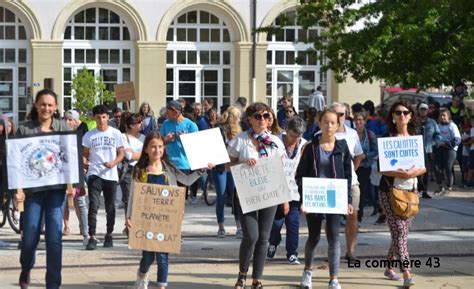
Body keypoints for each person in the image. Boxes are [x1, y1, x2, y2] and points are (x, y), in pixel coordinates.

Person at [126, 131, 208, 289]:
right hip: (146, 220)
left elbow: (186, 180)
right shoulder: (140, 170)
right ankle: (142, 274)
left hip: (165, 220)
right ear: (146, 149)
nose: (157, 150)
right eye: (153, 147)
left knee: (163, 256)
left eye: (160, 147)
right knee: (148, 257)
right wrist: (129, 216)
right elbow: (132, 195)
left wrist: (201, 170)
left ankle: (161, 286)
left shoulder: (169, 168)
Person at [16, 89, 71, 289]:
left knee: (54, 237)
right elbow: (16, 161)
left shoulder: (63, 127)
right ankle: (26, 266)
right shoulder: (24, 130)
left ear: (55, 107)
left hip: (56, 192)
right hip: (33, 193)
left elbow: (70, 157)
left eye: (50, 105)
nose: (46, 108)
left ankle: (53, 284)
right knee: (30, 236)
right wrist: (17, 189)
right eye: (43, 104)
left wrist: (73, 183)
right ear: (36, 105)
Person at [228, 102, 285, 289]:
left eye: (266, 116)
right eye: (258, 116)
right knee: (251, 236)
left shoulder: (276, 141)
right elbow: (227, 164)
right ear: (249, 119)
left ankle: (257, 278)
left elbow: (282, 171)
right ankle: (242, 274)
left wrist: (285, 198)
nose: (263, 120)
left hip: (270, 194)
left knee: (264, 237)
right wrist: (243, 165)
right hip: (247, 193)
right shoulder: (241, 139)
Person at [296, 108, 353, 289]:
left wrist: (348, 200)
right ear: (319, 123)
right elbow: (300, 175)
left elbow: (348, 176)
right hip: (315, 198)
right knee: (313, 237)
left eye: (332, 122)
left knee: (334, 237)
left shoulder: (342, 147)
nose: (329, 126)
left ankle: (334, 278)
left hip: (335, 198)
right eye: (325, 122)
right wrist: (304, 199)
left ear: (338, 125)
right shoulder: (310, 147)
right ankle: (307, 272)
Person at [379, 100, 426, 288]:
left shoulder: (415, 139)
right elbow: (382, 168)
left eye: (406, 112)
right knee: (400, 233)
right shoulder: (387, 138)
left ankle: (389, 267)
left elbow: (423, 167)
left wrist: (412, 173)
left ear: (411, 116)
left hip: (411, 192)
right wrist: (400, 173)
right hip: (390, 192)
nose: (402, 115)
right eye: (398, 112)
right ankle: (407, 273)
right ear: (393, 116)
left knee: (401, 233)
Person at [83, 104, 125, 250]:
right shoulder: (89, 135)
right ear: (94, 118)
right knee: (93, 205)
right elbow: (85, 154)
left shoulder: (115, 133)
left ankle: (109, 234)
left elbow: (121, 153)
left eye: (104, 117)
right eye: (98, 117)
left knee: (110, 206)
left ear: (108, 117)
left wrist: (113, 163)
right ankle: (92, 236)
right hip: (95, 174)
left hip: (111, 174)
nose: (101, 120)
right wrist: (85, 162)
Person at [326, 102, 364, 261]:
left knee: (353, 216)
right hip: (330, 183)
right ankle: (333, 250)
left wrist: (351, 172)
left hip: (351, 183)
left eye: (342, 114)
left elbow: (358, 155)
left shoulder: (352, 133)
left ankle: (350, 251)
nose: (339, 117)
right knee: (331, 219)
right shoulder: (322, 134)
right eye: (336, 114)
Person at [267, 117, 306, 265]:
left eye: (298, 136)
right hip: (276, 189)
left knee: (293, 223)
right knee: (276, 223)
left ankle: (292, 253)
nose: (294, 140)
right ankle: (273, 242)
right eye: (292, 136)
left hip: (295, 190)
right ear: (286, 130)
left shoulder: (303, 144)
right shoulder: (275, 142)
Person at [159, 100, 200, 204]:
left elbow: (197, 147)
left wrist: (186, 139)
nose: (166, 115)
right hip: (168, 164)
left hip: (184, 165)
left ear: (176, 112)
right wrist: (166, 139)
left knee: (180, 199)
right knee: (167, 197)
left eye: (168, 113)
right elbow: (158, 142)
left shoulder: (191, 125)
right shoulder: (166, 123)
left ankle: (178, 218)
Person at [214, 106, 241, 238]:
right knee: (221, 196)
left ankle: (239, 226)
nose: (239, 119)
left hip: (234, 167)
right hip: (220, 167)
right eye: (237, 117)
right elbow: (212, 147)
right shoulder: (220, 130)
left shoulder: (240, 131)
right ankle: (221, 226)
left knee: (237, 197)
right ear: (232, 117)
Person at [63, 110, 89, 245]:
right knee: (63, 202)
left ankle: (86, 232)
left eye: (70, 119)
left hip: (77, 172)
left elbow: (85, 153)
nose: (67, 122)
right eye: (65, 119)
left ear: (76, 122)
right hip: (63, 173)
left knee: (81, 202)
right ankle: (66, 225)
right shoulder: (61, 134)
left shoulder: (81, 136)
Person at [353, 111, 378, 223]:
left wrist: (366, 155)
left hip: (364, 166)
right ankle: (349, 215)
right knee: (351, 190)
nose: (358, 122)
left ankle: (359, 216)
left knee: (361, 191)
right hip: (353, 166)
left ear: (364, 121)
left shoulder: (370, 134)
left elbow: (376, 150)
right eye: (356, 120)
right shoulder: (351, 134)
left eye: (360, 120)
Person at [119, 113, 145, 215]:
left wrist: (139, 154)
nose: (141, 124)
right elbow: (129, 155)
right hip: (128, 171)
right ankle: (128, 223)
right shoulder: (123, 137)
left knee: (141, 198)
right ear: (131, 125)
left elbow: (148, 154)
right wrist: (142, 154)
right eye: (138, 122)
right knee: (129, 199)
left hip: (142, 169)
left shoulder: (144, 137)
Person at [416, 103, 442, 199]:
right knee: (417, 172)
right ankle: (418, 189)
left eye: (425, 109)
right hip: (416, 151)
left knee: (426, 171)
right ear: (418, 110)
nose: (423, 111)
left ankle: (424, 191)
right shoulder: (414, 121)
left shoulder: (432, 122)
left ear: (427, 111)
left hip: (428, 150)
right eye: (421, 109)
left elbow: (438, 136)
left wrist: (432, 143)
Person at [433, 108, 461, 195]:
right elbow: (434, 138)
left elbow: (457, 140)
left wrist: (446, 144)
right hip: (440, 148)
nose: (442, 117)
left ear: (448, 116)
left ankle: (449, 187)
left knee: (448, 167)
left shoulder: (452, 126)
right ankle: (440, 186)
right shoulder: (438, 126)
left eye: (444, 115)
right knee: (437, 167)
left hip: (450, 149)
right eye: (441, 115)